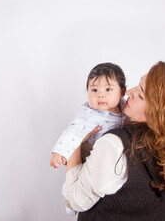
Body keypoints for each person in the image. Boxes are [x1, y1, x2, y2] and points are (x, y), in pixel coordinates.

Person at [62, 61, 165, 220]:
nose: (129, 92)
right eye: (138, 85)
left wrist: (75, 143)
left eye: (140, 94)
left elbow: (75, 200)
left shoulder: (115, 145)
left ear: (161, 112)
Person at [50, 62, 128, 215]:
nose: (100, 94)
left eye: (108, 89)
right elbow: (73, 131)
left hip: (109, 153)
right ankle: (70, 202)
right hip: (89, 149)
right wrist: (59, 152)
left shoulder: (125, 107)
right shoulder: (89, 113)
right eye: (94, 90)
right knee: (82, 176)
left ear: (122, 92)